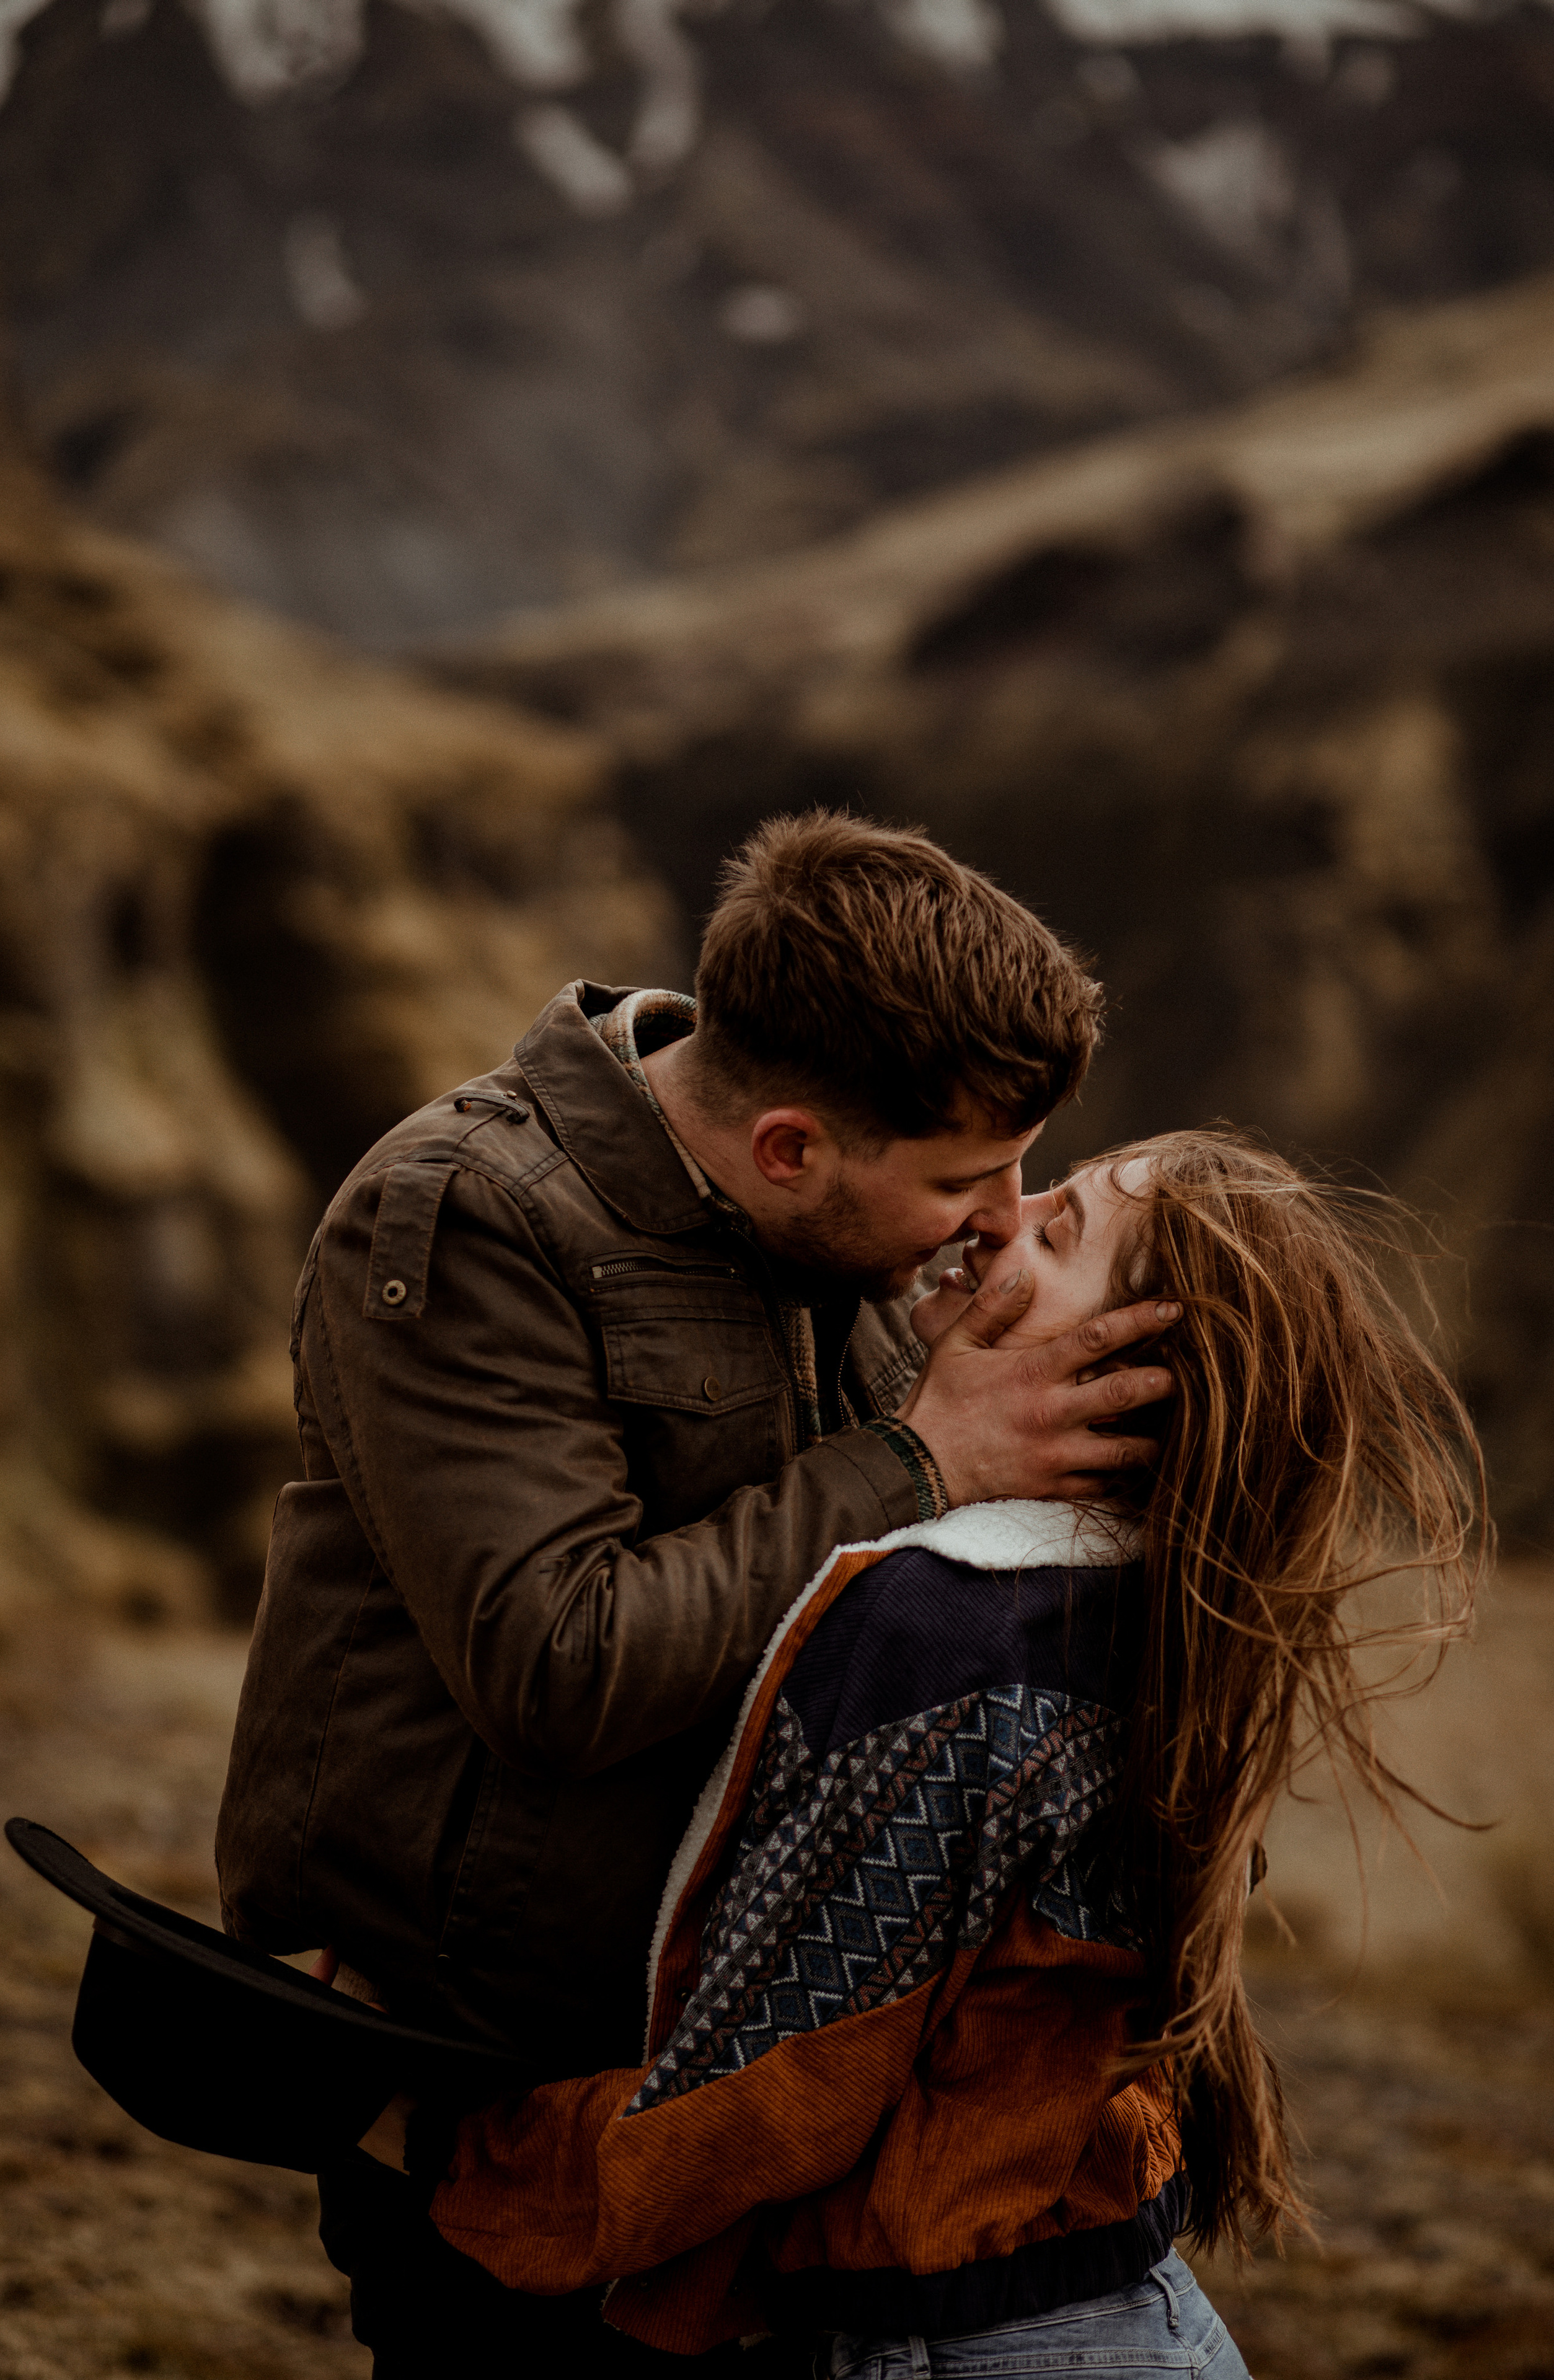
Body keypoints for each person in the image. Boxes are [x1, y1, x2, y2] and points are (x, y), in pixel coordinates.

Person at [213, 811, 1180, 2374]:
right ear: (788, 1146)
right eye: (967, 1179)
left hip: (721, 2075)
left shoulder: (842, 1228)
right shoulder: (470, 1215)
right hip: (494, 2067)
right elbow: (554, 1664)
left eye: (1022, 1171)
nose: (1004, 1218)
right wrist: (920, 1459)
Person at [407, 1128, 1483, 2379]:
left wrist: (448, 2148)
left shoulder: (945, 1628)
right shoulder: (1148, 1602)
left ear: (1122, 1367)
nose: (997, 1222)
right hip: (1126, 2316)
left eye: (1057, 1232)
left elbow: (770, 2088)